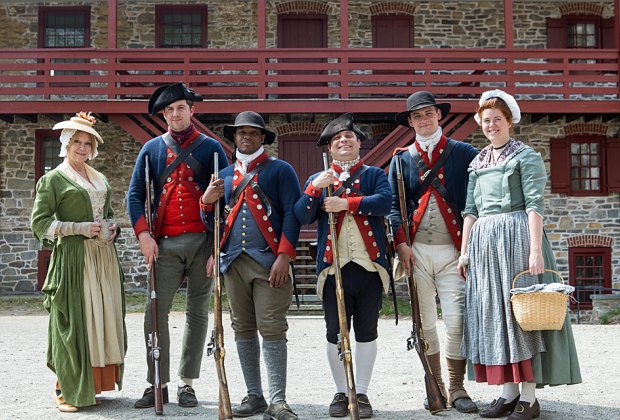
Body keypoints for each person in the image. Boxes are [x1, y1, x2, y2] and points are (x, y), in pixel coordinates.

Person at [458, 89, 581, 420]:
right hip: (484, 246)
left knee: (523, 318)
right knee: (495, 316)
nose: (492, 125)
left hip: (516, 240)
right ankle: (507, 394)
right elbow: (470, 209)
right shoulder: (478, 160)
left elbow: (534, 204)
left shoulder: (526, 156)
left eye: (497, 119)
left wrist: (534, 250)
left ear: (510, 121)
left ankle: (529, 397)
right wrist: (464, 250)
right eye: (486, 120)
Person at [127, 82, 228, 408]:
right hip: (164, 244)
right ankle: (158, 381)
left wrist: (216, 248)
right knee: (154, 313)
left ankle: (187, 383)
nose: (174, 114)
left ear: (191, 111)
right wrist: (143, 235)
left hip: (203, 242)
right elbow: (135, 197)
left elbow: (228, 200)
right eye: (169, 110)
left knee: (198, 313)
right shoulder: (152, 149)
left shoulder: (211, 149)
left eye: (180, 108)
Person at [201, 111, 301, 420]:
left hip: (270, 262)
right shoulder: (225, 174)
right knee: (242, 328)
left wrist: (284, 255)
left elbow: (292, 215)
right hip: (233, 263)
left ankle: (278, 400)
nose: (247, 137)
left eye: (253, 132)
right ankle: (254, 395)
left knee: (272, 327)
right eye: (241, 132)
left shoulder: (280, 170)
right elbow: (214, 222)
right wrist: (206, 200)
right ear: (234, 137)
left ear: (262, 137)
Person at [294, 113, 391, 419]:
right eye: (337, 140)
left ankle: (360, 392)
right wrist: (314, 190)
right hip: (333, 267)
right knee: (335, 332)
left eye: (349, 137)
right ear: (330, 149)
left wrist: (346, 203)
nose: (343, 142)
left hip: (369, 267)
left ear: (359, 143)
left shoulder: (374, 174)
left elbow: (384, 203)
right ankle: (341, 391)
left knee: (366, 330)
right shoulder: (318, 178)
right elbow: (302, 216)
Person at [388, 91, 479, 413]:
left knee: (457, 322)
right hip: (417, 252)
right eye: (417, 116)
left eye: (429, 114)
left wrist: (469, 248)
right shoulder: (400, 159)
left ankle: (456, 387)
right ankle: (436, 386)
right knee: (425, 324)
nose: (424, 120)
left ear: (439, 116)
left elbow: (475, 203)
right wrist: (401, 245)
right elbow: (393, 209)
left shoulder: (465, 153)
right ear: (411, 122)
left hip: (453, 252)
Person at [31, 112, 126, 412]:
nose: (82, 148)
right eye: (77, 142)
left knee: (100, 319)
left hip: (103, 258)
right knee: (72, 321)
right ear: (66, 144)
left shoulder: (98, 177)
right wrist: (78, 228)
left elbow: (107, 212)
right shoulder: (53, 179)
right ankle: (65, 388)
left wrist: (113, 229)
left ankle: (91, 386)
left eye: (87, 143)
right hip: (74, 258)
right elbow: (40, 223)